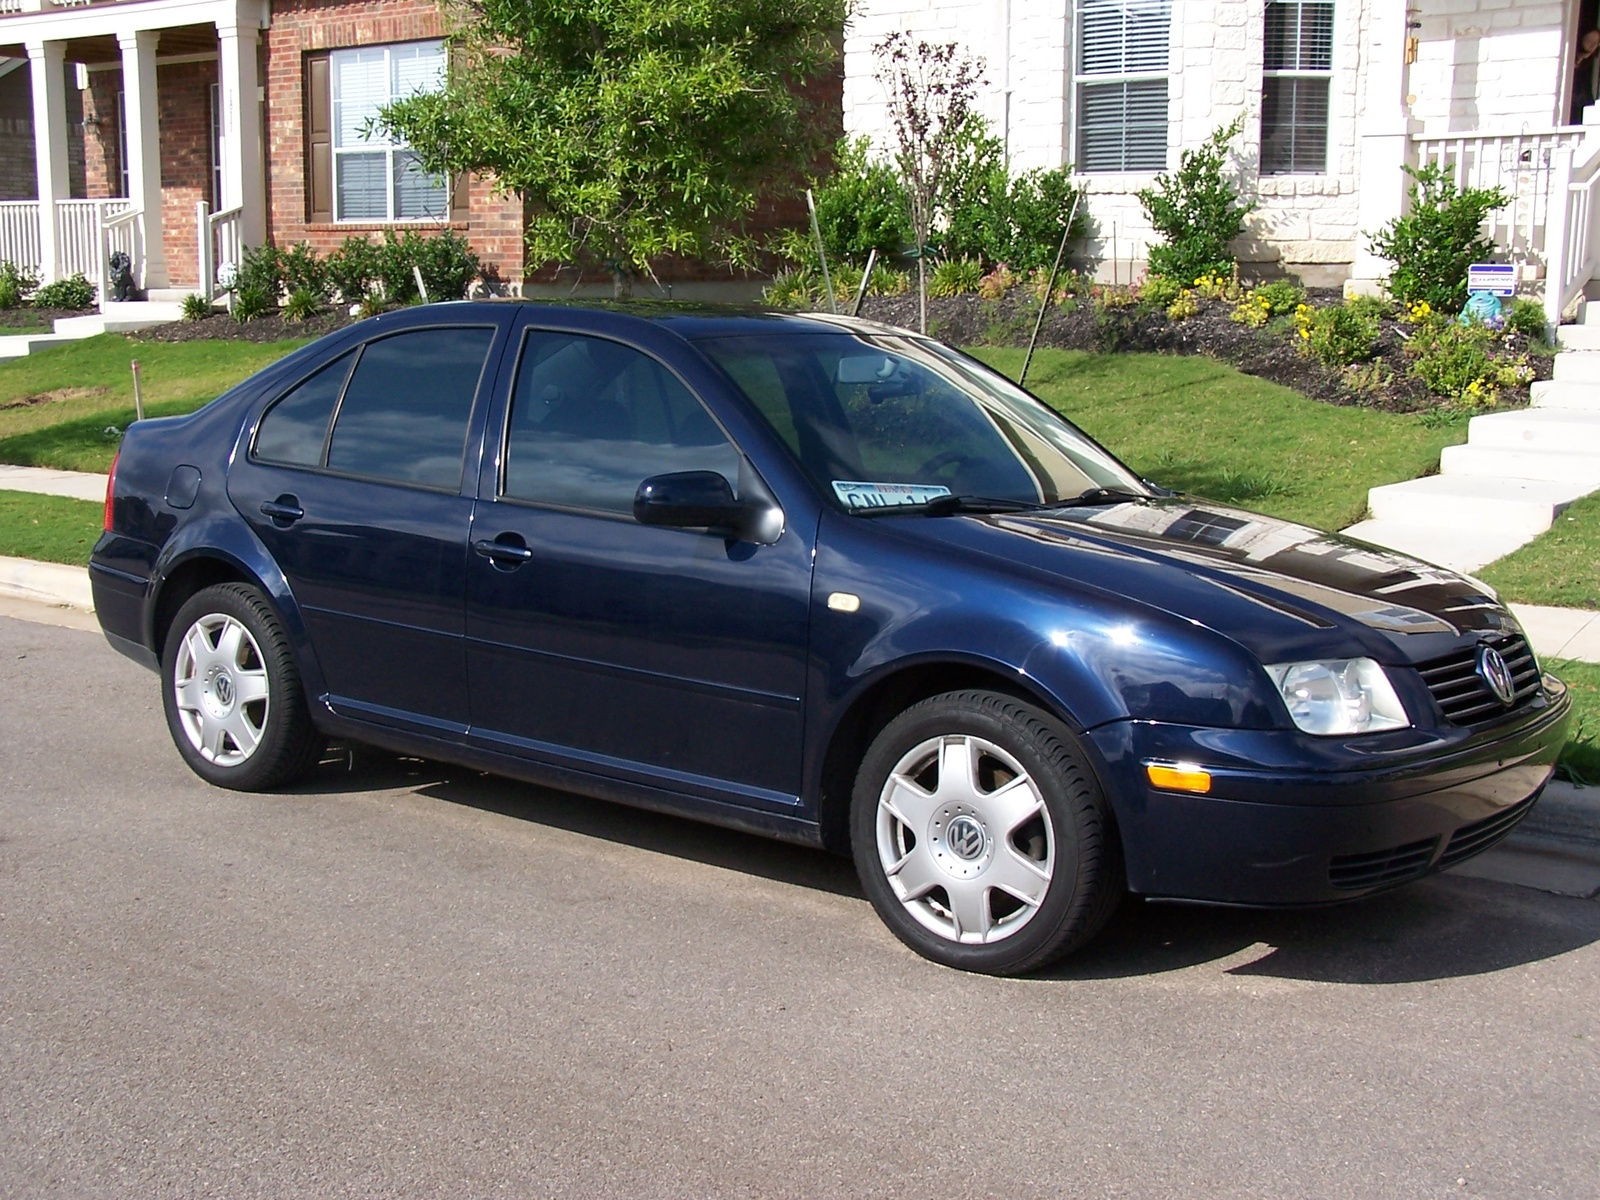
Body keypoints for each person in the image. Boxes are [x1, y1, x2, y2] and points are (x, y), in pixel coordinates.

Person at [1572, 29, 1600, 125]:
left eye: (1595, 43)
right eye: (1590, 40)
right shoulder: (1570, 57)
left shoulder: (1588, 67)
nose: (1592, 45)